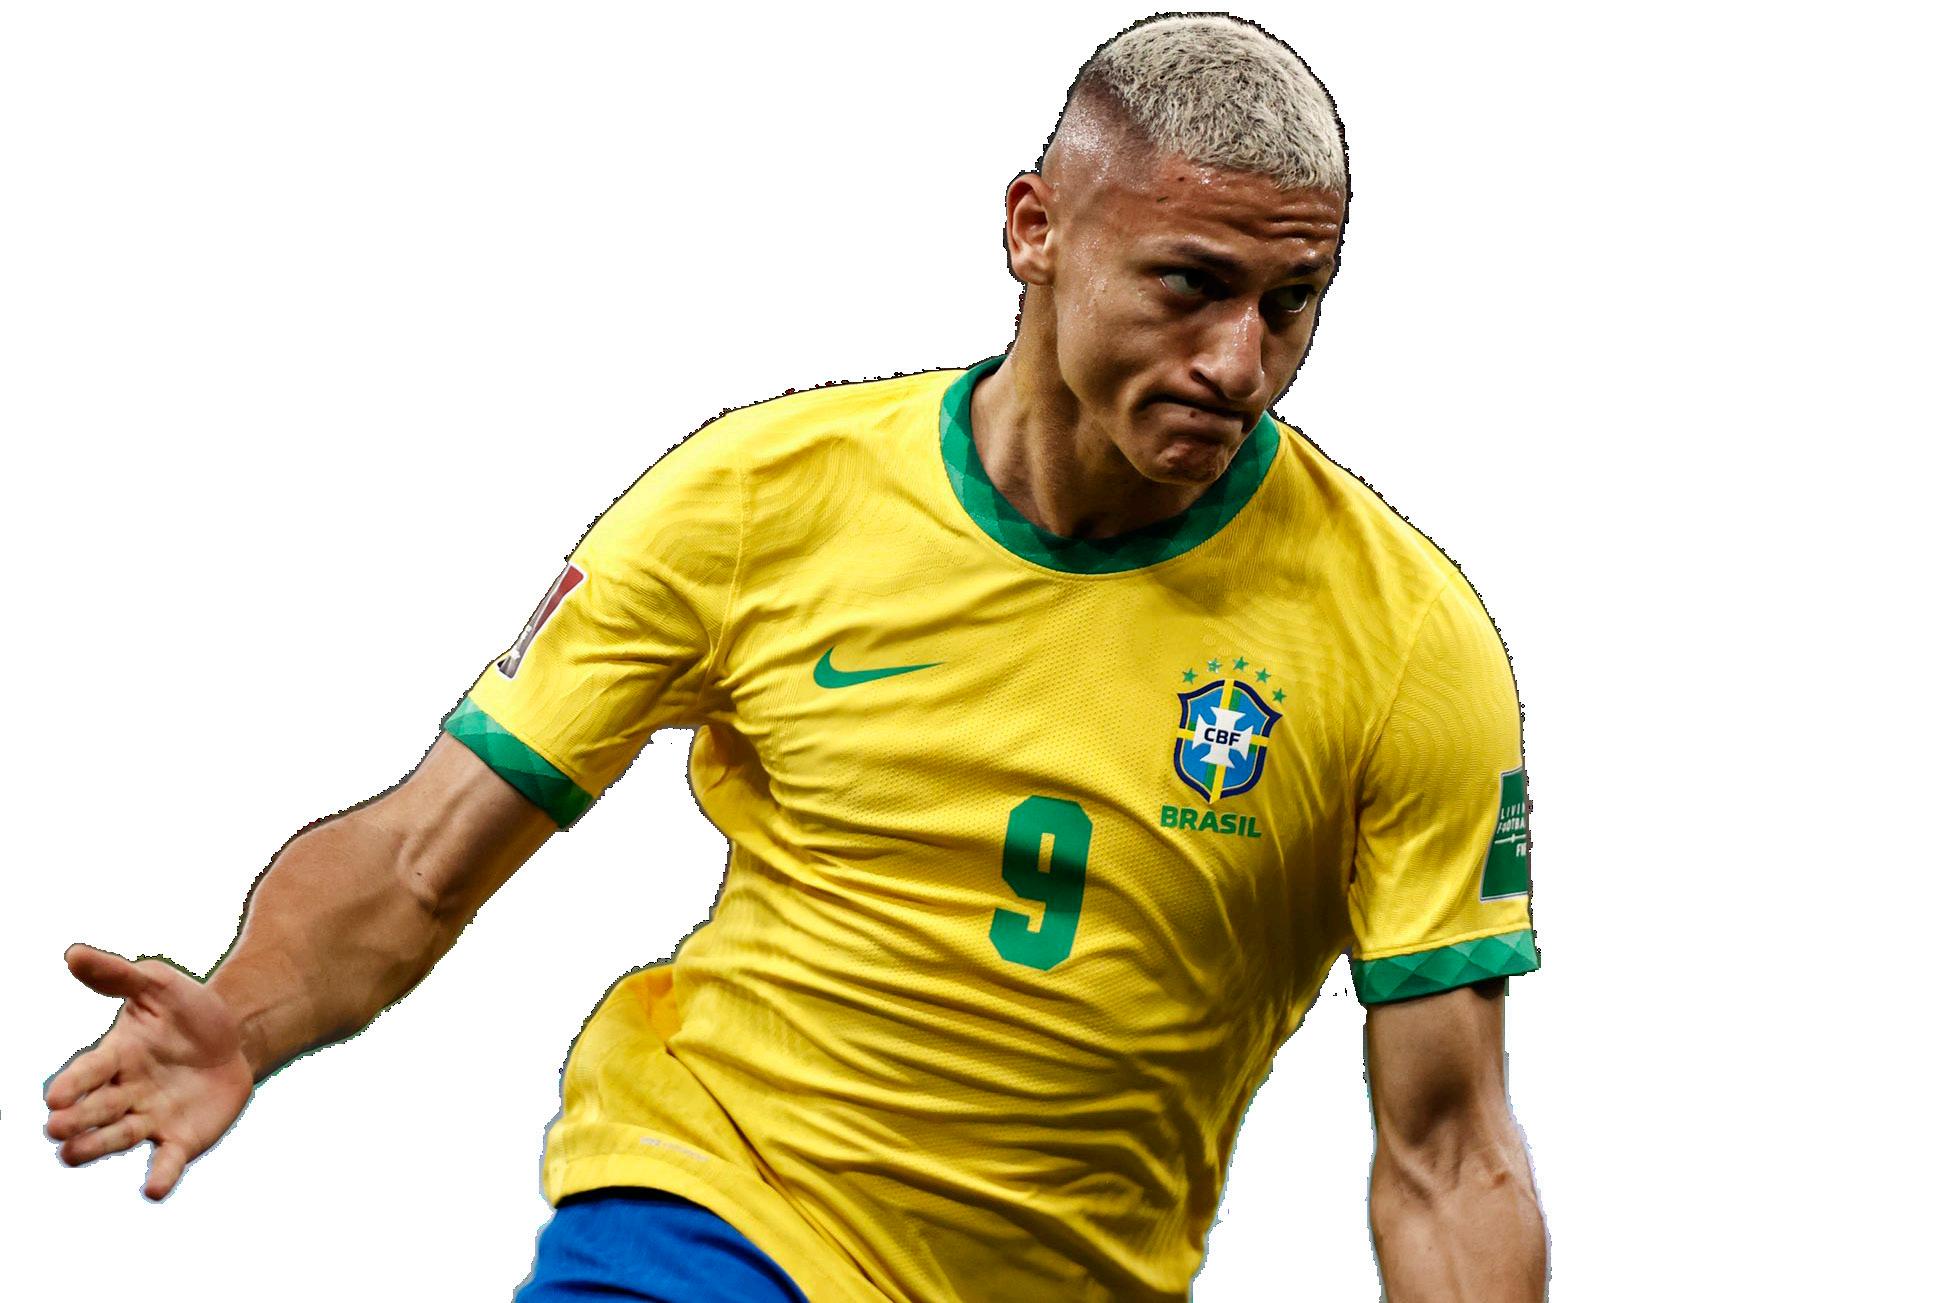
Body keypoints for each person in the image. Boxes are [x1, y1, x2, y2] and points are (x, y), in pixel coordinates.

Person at [44, 13, 1546, 1301]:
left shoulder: (1402, 642)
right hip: (709, 1214)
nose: (1239, 363)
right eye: (1190, 286)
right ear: (1034, 228)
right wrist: (245, 1015)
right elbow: (422, 855)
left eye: (1291, 307)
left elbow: (1447, 1152)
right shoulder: (761, 502)